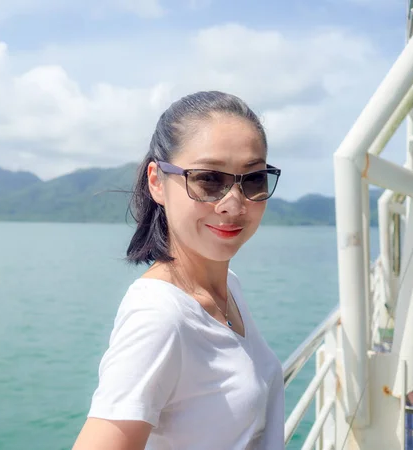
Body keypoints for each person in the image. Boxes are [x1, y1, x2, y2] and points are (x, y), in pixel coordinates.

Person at [73, 91, 285, 450]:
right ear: (157, 182)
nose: (233, 204)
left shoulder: (227, 287)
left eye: (252, 180)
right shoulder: (160, 317)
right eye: (208, 179)